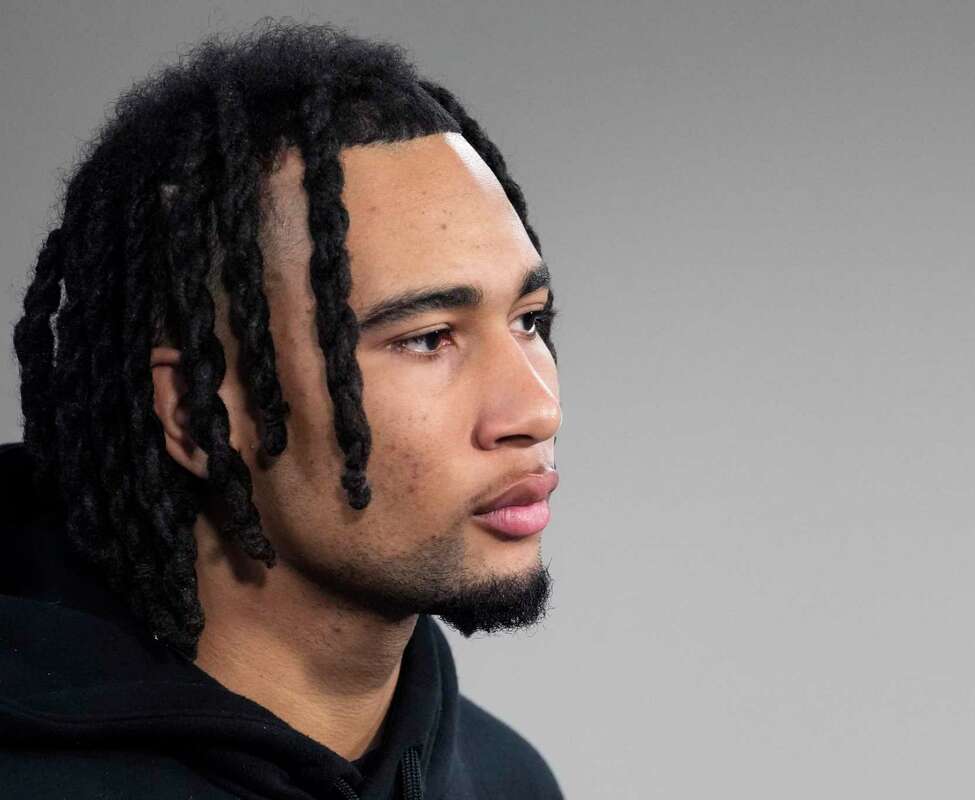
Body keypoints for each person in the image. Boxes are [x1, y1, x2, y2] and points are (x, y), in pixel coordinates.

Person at [0, 21, 564, 799]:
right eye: (429, 338)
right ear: (200, 412)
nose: (534, 411)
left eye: (529, 320)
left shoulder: (508, 781)